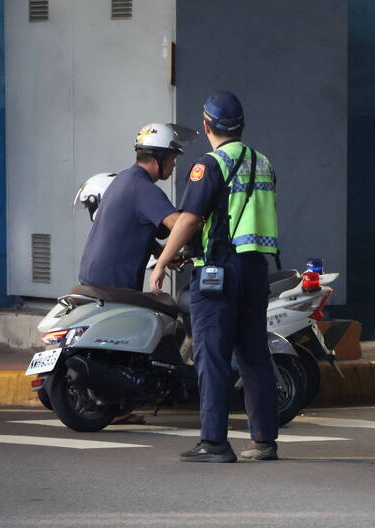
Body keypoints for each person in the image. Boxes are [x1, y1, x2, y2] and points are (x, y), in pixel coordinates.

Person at [150, 90, 279, 463]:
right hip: (256, 269)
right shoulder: (263, 162)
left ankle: (214, 442)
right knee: (254, 354)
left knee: (213, 356)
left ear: (206, 125)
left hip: (219, 270)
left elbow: (189, 218)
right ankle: (264, 441)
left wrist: (161, 263)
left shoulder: (209, 165)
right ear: (242, 126)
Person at [78, 123, 184, 424]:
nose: (174, 165)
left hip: (94, 277)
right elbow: (177, 223)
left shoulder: (123, 180)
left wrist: (161, 254)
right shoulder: (143, 187)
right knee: (165, 321)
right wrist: (196, 228)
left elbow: (134, 228)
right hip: (115, 282)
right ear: (158, 157)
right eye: (172, 159)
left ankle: (118, 404)